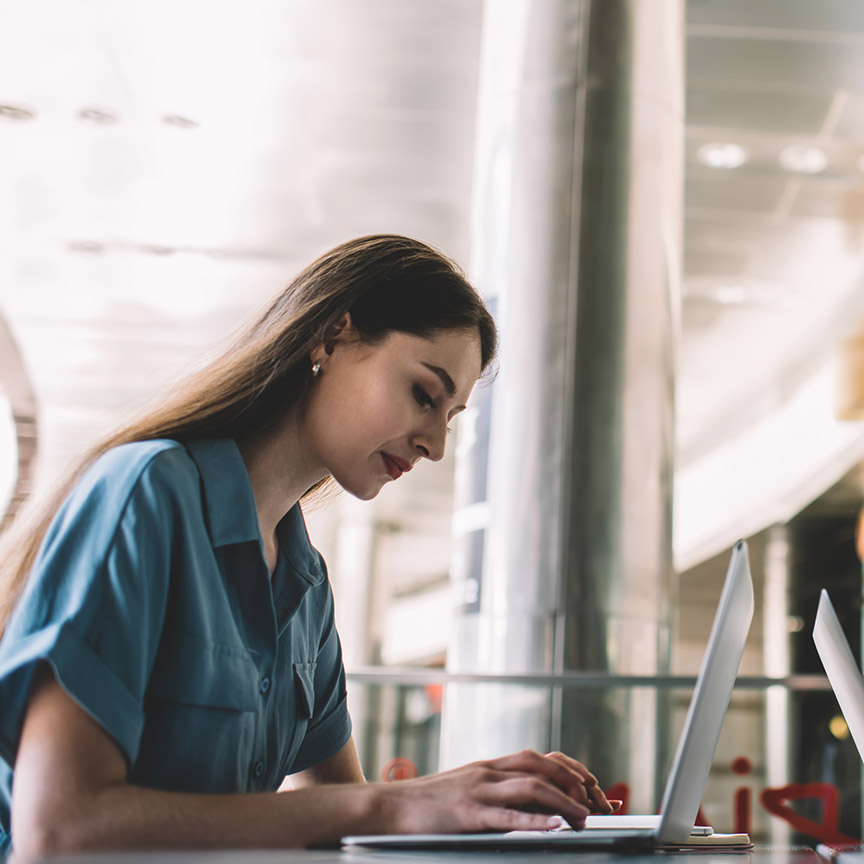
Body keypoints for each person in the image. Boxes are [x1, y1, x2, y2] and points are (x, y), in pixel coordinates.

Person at [0, 236, 613, 856]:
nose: (436, 446)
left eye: (450, 418)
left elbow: (348, 823)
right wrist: (397, 804)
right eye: (425, 395)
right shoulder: (148, 494)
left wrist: (480, 800)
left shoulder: (305, 585)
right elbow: (56, 830)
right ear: (330, 335)